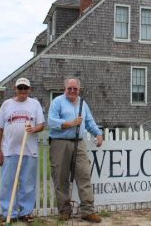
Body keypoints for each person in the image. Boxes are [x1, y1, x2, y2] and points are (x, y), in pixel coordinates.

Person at [48, 78, 103, 223]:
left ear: (79, 89)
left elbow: (89, 121)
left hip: (79, 143)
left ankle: (88, 211)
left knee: (84, 175)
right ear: (64, 88)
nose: (72, 91)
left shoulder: (83, 104)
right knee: (61, 178)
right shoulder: (57, 102)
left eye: (75, 89)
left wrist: (98, 133)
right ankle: (64, 211)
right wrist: (69, 124)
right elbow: (51, 121)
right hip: (60, 143)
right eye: (69, 88)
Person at [0, 77, 45, 224]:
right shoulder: (7, 105)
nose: (23, 90)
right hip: (9, 150)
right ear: (15, 89)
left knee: (27, 183)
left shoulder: (34, 104)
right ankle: (7, 213)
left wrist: (33, 128)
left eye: (25, 88)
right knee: (7, 183)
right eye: (20, 88)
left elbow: (41, 125)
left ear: (29, 89)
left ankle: (26, 212)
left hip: (29, 150)